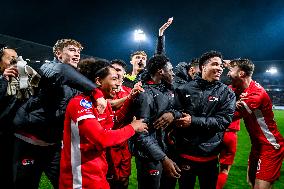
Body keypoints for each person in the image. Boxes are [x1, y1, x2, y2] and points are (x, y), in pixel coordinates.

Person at [12, 39, 105, 189]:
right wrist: (96, 92)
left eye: (78, 52)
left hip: (53, 145)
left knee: (67, 184)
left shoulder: (75, 79)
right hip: (29, 143)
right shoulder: (48, 67)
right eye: (71, 50)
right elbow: (61, 71)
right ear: (58, 53)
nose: (77, 54)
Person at [59, 57, 148, 189]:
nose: (119, 83)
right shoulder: (80, 103)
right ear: (98, 81)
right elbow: (101, 138)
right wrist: (132, 128)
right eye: (114, 78)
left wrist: (130, 98)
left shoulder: (103, 103)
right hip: (80, 179)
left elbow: (113, 128)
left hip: (98, 174)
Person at [172, 51, 236, 189]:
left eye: (221, 66)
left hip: (210, 157)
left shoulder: (227, 93)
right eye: (215, 64)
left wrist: (192, 121)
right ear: (203, 67)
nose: (220, 68)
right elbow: (176, 114)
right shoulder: (184, 89)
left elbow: (223, 121)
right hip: (185, 154)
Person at [227, 58, 284, 189]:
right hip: (257, 145)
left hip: (270, 146)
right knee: (252, 183)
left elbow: (229, 117)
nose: (228, 71)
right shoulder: (240, 87)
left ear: (241, 74)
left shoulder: (255, 94)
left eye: (231, 69)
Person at [129, 54, 181, 189]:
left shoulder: (169, 89)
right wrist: (163, 158)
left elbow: (180, 108)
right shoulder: (145, 94)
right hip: (150, 157)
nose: (173, 73)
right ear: (161, 71)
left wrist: (173, 114)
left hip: (168, 151)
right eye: (170, 70)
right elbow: (140, 134)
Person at [106, 59, 143, 189]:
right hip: (108, 143)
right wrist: (130, 97)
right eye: (113, 70)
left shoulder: (128, 90)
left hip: (125, 142)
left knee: (124, 179)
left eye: (119, 70)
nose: (116, 73)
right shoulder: (105, 90)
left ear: (123, 73)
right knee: (109, 180)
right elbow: (108, 104)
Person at [124, 17, 173, 88]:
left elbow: (159, 57)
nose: (141, 59)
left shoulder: (148, 76)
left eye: (143, 58)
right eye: (138, 57)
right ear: (131, 61)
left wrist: (161, 33)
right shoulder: (124, 78)